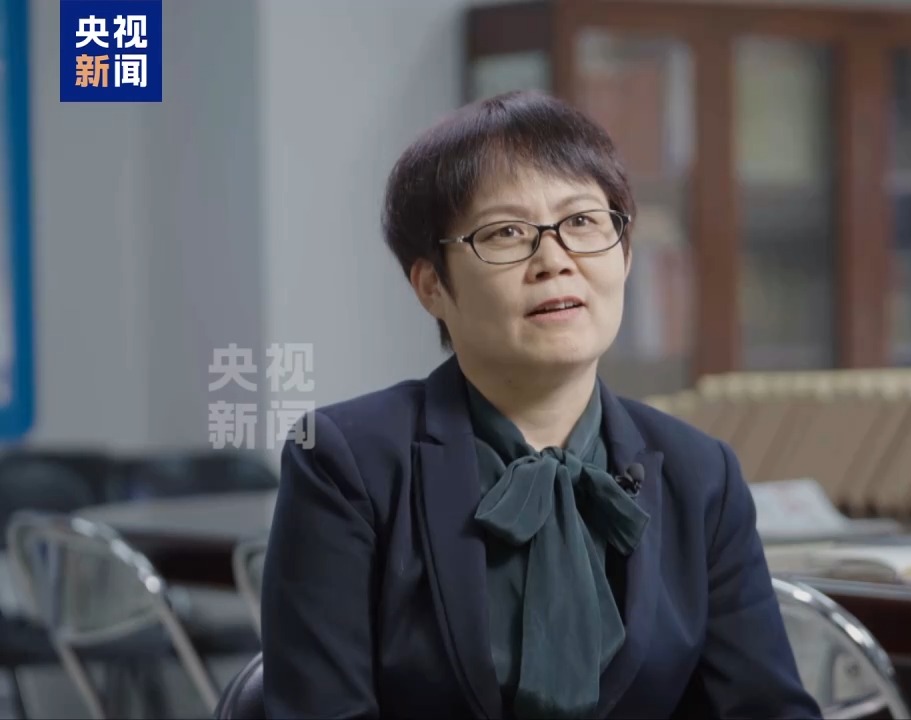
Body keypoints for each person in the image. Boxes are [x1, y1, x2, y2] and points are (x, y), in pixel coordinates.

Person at [260, 90, 821, 719]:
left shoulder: (701, 475)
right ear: (432, 285)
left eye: (581, 222)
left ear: (625, 254)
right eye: (505, 232)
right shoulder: (347, 462)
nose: (553, 260)